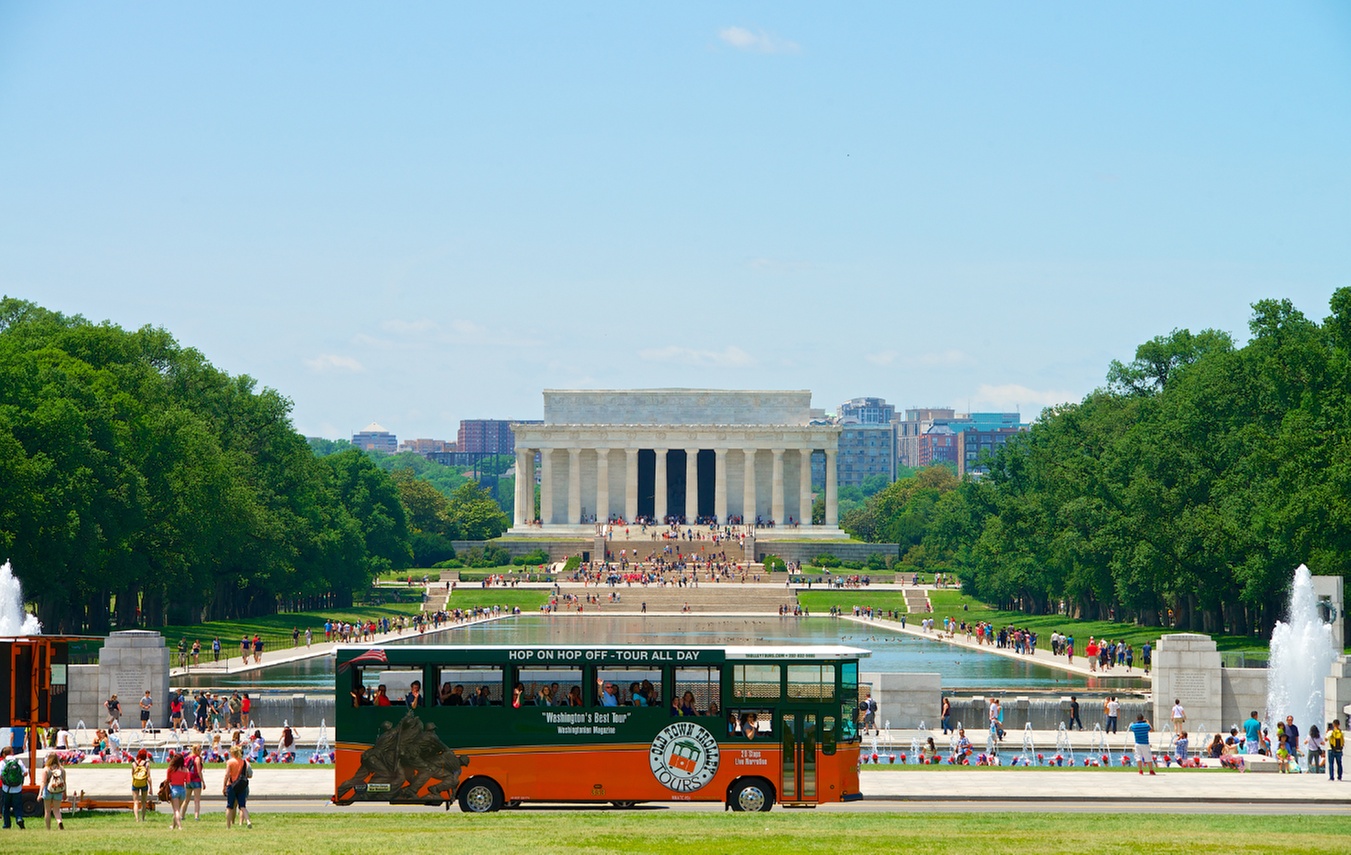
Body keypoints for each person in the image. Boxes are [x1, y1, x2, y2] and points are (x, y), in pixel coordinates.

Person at [224, 745, 251, 829]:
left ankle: (228, 825)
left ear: (232, 753)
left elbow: (227, 774)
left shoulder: (230, 762)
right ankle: (248, 821)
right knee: (242, 806)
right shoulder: (243, 762)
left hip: (232, 785)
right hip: (241, 785)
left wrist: (224, 785)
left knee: (229, 806)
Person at [1, 746, 27, 830]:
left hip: (6, 789)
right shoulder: (18, 761)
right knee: (18, 806)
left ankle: (7, 824)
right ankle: (19, 818)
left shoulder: (3, 762)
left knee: (6, 807)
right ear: (12, 752)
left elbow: (1, 775)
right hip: (17, 788)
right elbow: (25, 772)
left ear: (4, 754)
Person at [165, 752, 189, 830]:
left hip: (174, 789)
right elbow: (188, 781)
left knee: (176, 810)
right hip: (182, 790)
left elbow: (168, 780)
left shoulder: (171, 769)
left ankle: (179, 826)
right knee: (178, 809)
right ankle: (173, 826)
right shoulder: (185, 770)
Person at [41, 753, 66, 829]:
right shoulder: (61, 769)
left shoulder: (46, 769)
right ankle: (59, 822)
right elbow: (64, 782)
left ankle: (48, 828)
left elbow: (43, 782)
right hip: (58, 791)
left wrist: (40, 793)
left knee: (47, 810)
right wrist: (65, 793)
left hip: (48, 791)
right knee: (57, 810)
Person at [186, 743, 205, 820]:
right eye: (199, 749)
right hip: (196, 780)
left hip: (189, 780)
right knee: (197, 800)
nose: (201, 751)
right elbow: (199, 771)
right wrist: (203, 781)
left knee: (186, 799)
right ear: (195, 750)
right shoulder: (197, 758)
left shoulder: (188, 757)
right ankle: (196, 816)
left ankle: (182, 815)